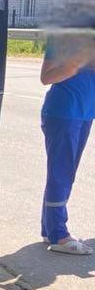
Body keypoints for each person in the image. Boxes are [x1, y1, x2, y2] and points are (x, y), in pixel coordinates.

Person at [39, 32, 95, 255]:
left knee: (64, 173)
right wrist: (75, 65)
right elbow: (46, 77)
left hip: (84, 113)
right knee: (61, 173)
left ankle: (50, 229)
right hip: (64, 112)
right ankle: (59, 236)